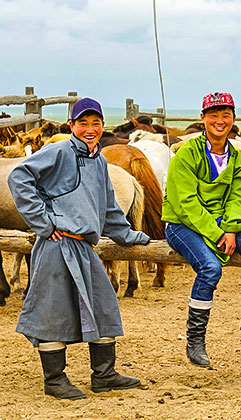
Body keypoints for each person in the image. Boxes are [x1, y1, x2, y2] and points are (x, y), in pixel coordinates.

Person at [8, 98, 150, 400]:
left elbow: (109, 207)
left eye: (95, 123)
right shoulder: (59, 151)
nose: (89, 129)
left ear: (103, 126)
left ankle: (104, 374)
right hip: (57, 246)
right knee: (52, 312)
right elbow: (18, 177)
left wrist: (130, 235)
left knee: (103, 306)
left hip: (85, 248)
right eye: (82, 123)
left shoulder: (98, 160)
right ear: (71, 125)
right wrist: (44, 222)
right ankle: (55, 380)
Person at [162, 91, 241, 368]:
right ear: (202, 118)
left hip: (221, 223)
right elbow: (186, 203)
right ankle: (195, 339)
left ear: (233, 119)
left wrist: (230, 228)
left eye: (225, 115)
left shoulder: (238, 156)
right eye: (213, 115)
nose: (220, 120)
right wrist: (218, 235)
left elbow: (240, 197)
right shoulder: (186, 155)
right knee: (210, 268)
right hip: (182, 224)